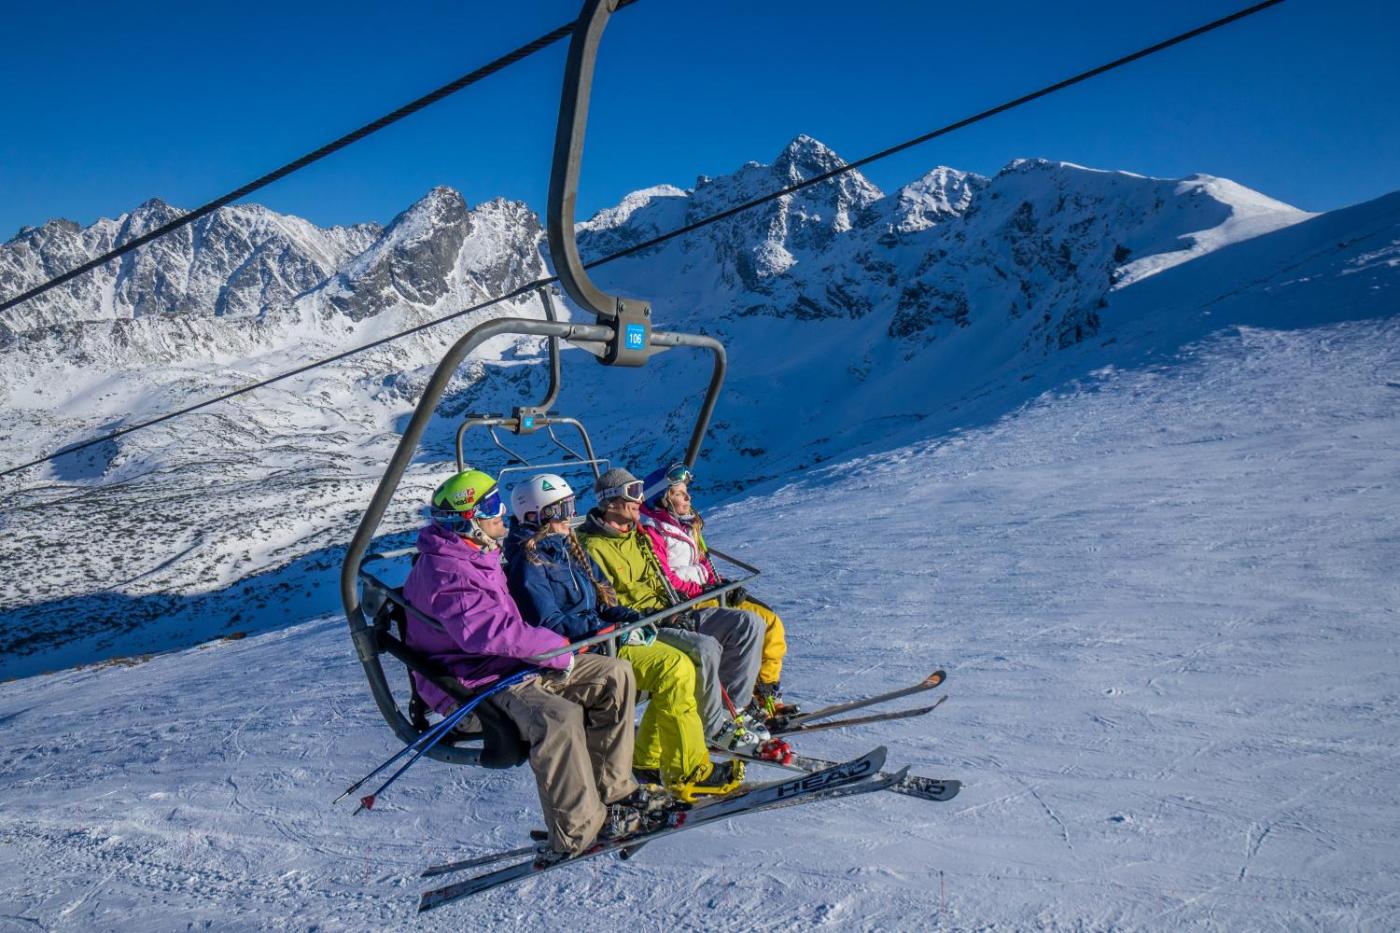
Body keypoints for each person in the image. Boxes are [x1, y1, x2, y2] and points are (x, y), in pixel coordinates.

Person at [402, 467, 644, 858]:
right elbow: (488, 632)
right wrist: (557, 648)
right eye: (491, 507)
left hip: (511, 668)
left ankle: (613, 793)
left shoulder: (474, 554)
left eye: (499, 502)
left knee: (614, 675)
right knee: (558, 718)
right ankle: (577, 831)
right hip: (472, 685)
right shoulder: (446, 571)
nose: (502, 513)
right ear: (468, 521)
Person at [503, 473, 743, 799]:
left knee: (682, 665)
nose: (569, 516)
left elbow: (604, 599)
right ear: (535, 515)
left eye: (571, 506)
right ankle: (686, 771)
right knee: (674, 669)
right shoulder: (530, 564)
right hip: (585, 650)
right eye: (560, 510)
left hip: (605, 638)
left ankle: (652, 758)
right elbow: (549, 622)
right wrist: (605, 629)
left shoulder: (567, 548)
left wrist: (628, 617)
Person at [577, 467, 767, 752]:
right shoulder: (591, 548)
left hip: (671, 612)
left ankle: (731, 713)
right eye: (633, 493)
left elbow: (662, 579)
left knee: (748, 624)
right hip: (644, 627)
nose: (640, 500)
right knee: (704, 649)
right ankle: (712, 729)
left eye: (640, 492)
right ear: (611, 502)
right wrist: (653, 617)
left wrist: (683, 599)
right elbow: (606, 603)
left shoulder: (637, 535)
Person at [638, 462, 790, 719]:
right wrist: (703, 589)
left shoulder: (687, 525)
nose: (688, 497)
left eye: (686, 491)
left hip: (706, 593)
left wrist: (723, 585)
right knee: (749, 625)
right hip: (689, 600)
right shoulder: (653, 531)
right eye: (679, 493)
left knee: (771, 621)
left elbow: (704, 564)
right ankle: (739, 706)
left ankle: (766, 695)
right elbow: (665, 577)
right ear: (662, 499)